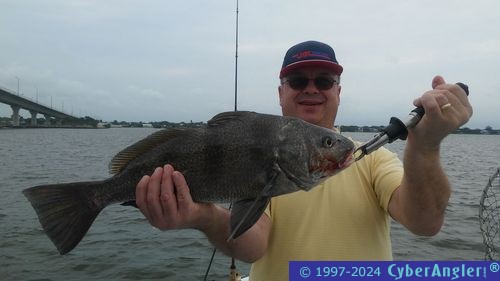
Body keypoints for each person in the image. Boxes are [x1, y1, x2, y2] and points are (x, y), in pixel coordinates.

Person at [135, 40, 473, 280]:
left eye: (324, 80)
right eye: (298, 80)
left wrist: (426, 146)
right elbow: (253, 245)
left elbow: (424, 222)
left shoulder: (372, 160)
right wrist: (203, 216)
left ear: (338, 92)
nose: (311, 88)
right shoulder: (266, 157)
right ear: (281, 92)